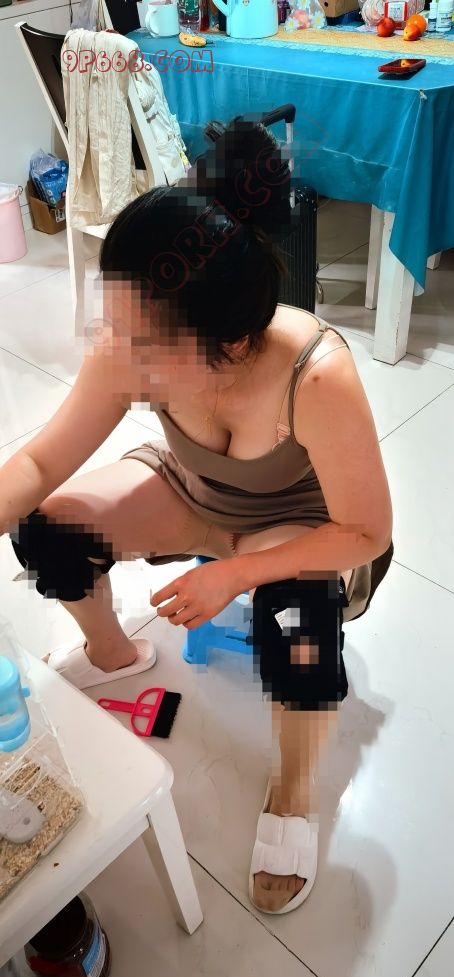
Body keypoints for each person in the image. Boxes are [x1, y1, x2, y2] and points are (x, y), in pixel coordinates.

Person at [0, 119, 393, 916]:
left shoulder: (315, 374)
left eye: (143, 344)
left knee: (299, 614)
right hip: (192, 491)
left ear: (234, 344)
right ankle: (112, 654)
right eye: (113, 322)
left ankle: (292, 792)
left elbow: (367, 533)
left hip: (299, 523)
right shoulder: (133, 338)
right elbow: (40, 462)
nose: (116, 351)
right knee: (47, 527)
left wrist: (239, 574)